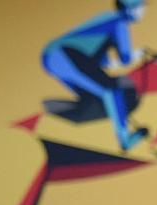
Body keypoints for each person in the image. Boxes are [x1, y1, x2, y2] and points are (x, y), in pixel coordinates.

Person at [41, 0, 148, 151]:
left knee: (96, 95)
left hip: (54, 56)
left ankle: (54, 107)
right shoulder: (119, 23)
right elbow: (125, 58)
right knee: (111, 92)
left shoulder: (106, 17)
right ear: (129, 9)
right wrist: (138, 53)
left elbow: (100, 60)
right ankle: (125, 140)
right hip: (66, 56)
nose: (143, 11)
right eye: (140, 7)